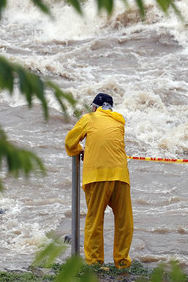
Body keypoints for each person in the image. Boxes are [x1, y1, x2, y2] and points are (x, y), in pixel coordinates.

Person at [65, 93, 133, 268]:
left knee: (95, 221)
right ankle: (122, 261)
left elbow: (70, 142)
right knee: (124, 221)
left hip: (97, 176)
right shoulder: (119, 121)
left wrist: (80, 150)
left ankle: (95, 263)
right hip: (120, 175)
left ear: (95, 107)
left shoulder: (89, 118)